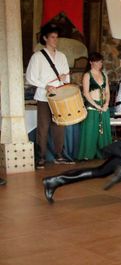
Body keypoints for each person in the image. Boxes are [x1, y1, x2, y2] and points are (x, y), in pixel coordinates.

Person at [25, 23, 73, 169]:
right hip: (44, 97)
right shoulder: (37, 57)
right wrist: (45, 85)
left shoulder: (62, 56)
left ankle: (59, 155)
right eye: (52, 37)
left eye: (56, 37)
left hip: (59, 97)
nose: (55, 40)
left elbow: (67, 78)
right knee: (43, 127)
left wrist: (65, 79)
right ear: (45, 38)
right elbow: (30, 77)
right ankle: (41, 157)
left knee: (59, 126)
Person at [76, 52, 111, 160]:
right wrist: (97, 106)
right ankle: (88, 154)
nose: (100, 63)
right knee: (91, 130)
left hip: (103, 106)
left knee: (104, 131)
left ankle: (104, 153)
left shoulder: (104, 75)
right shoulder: (87, 75)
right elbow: (86, 93)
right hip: (92, 106)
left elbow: (107, 92)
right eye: (97, 61)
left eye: (100, 61)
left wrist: (106, 104)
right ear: (91, 62)